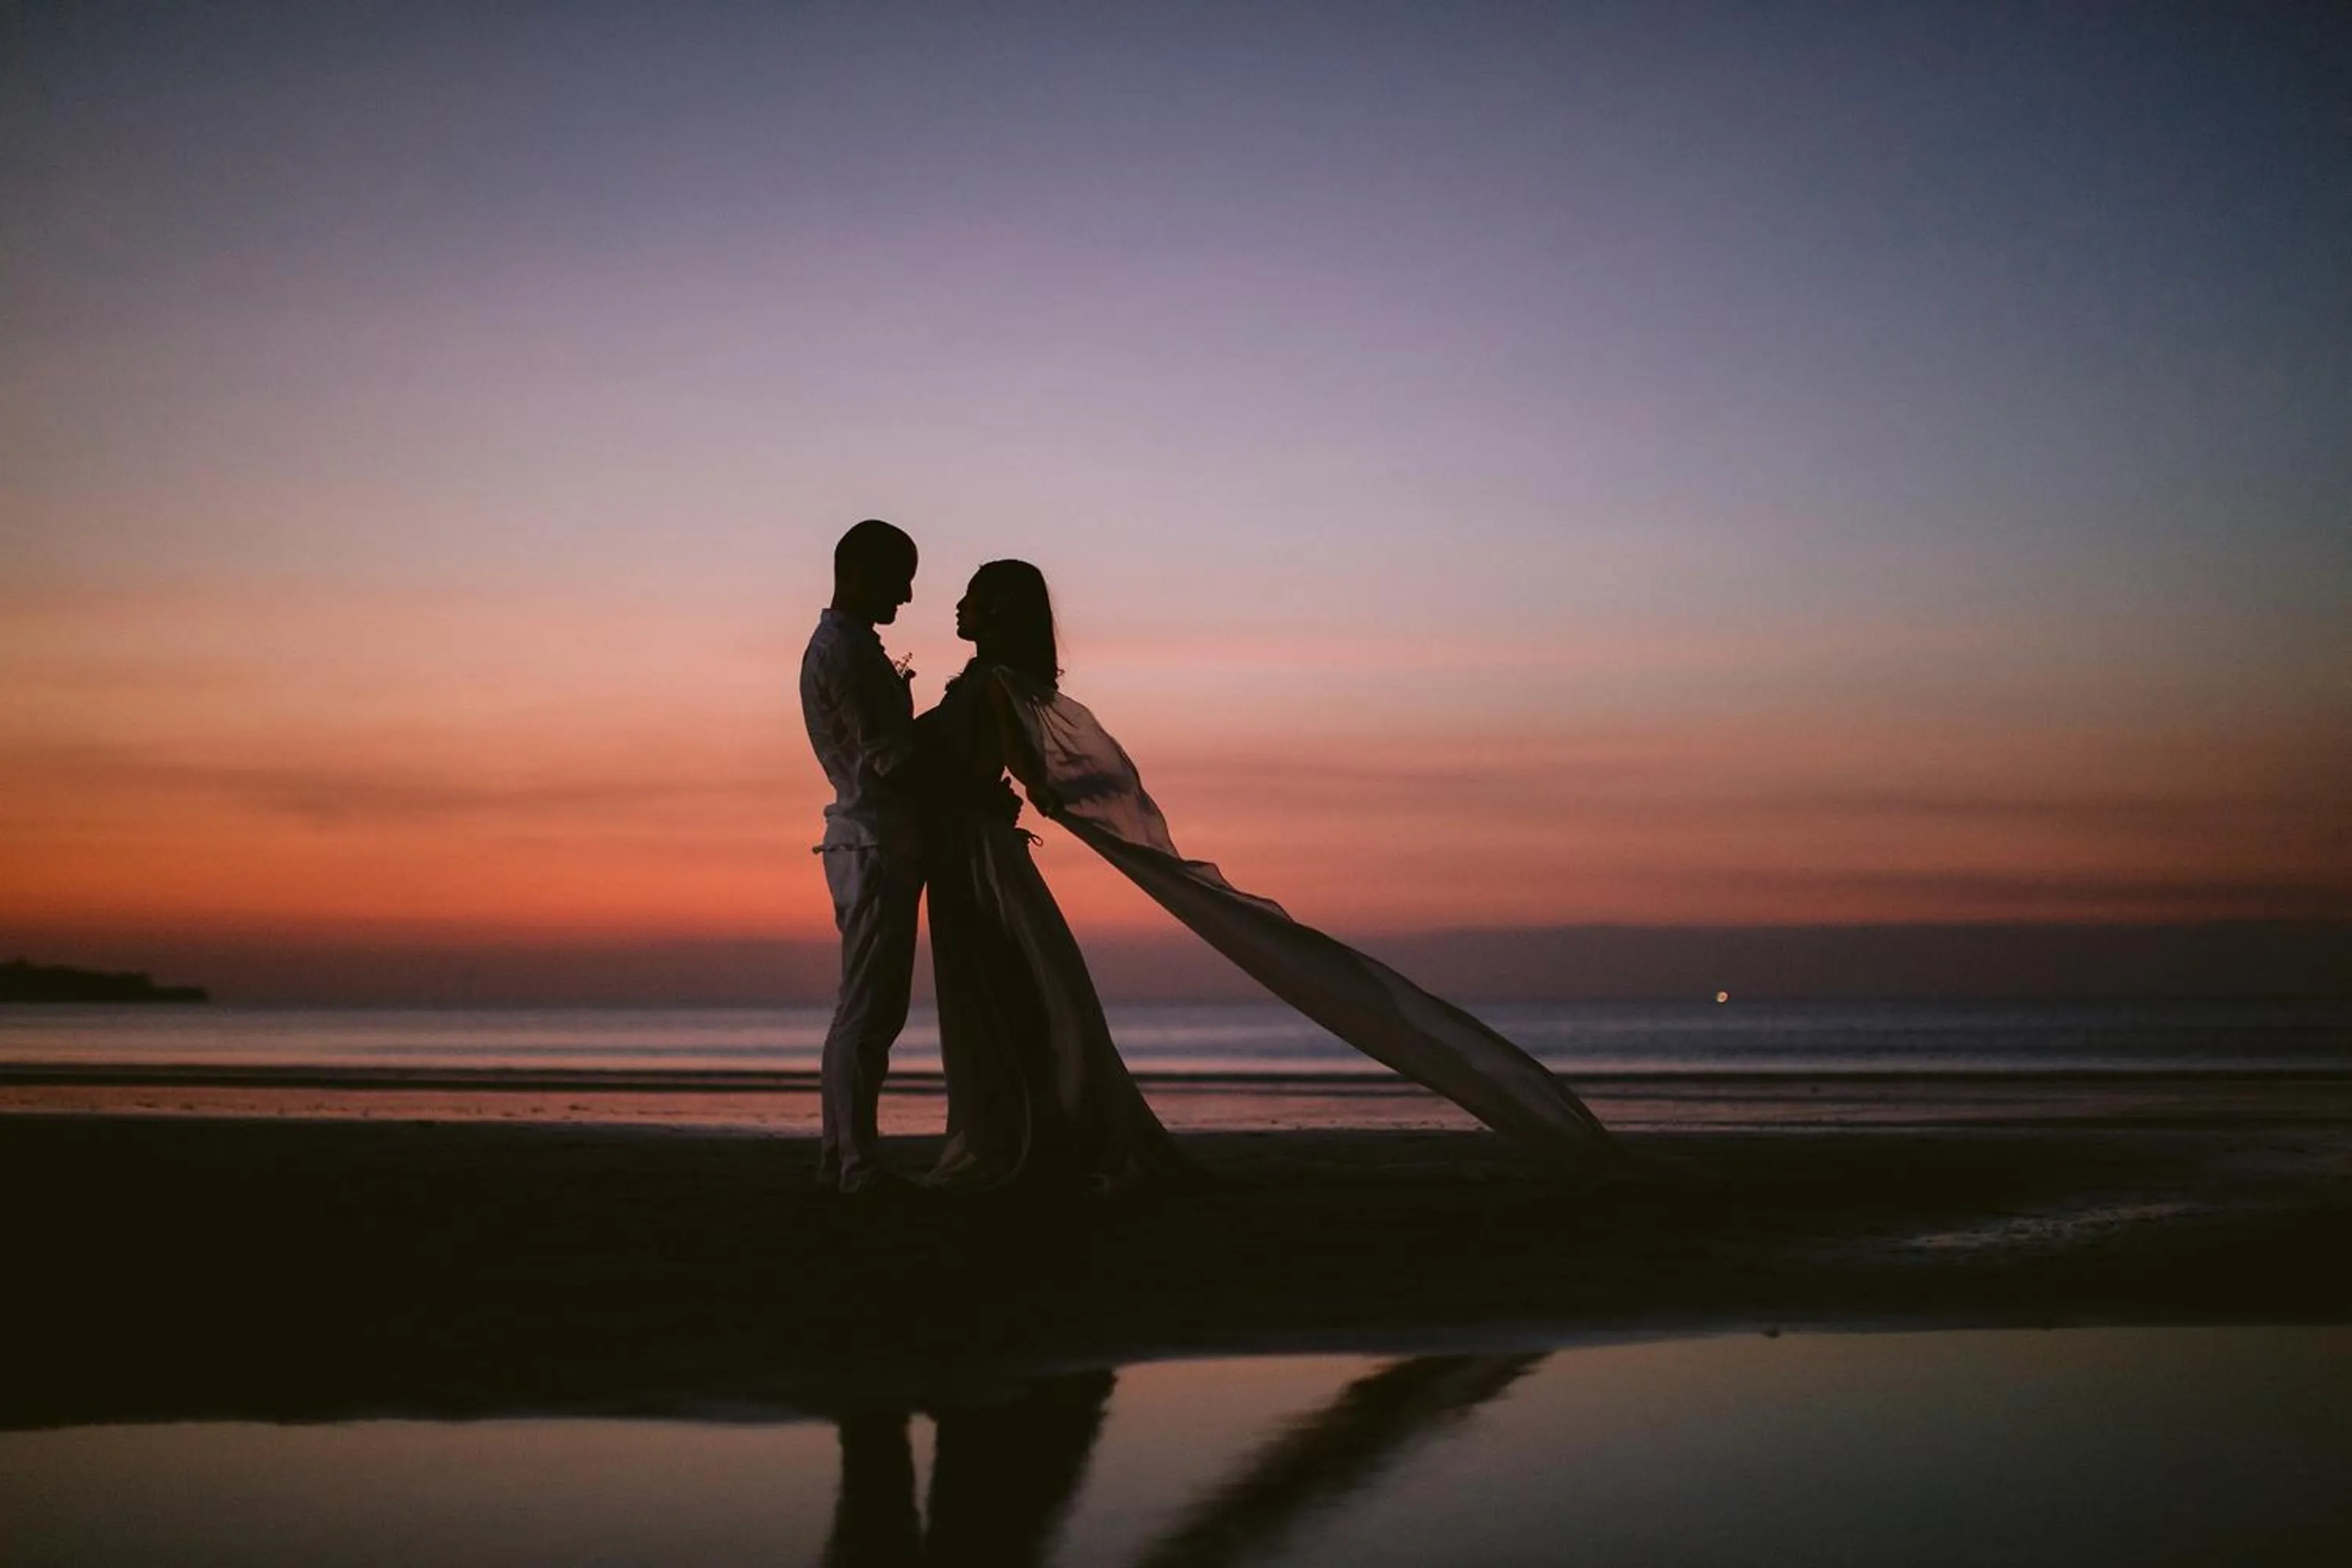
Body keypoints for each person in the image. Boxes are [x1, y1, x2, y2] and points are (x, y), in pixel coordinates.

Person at [916, 560, 1621, 1192]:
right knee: (1010, 998)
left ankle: (1023, 1141)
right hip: (972, 852)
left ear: (999, 610)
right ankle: (1022, 1133)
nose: (958, 605)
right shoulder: (990, 681)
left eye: (972, 595)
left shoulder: (994, 685)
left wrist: (972, 791)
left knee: (1003, 996)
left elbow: (1035, 783)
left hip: (978, 858)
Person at [800, 519, 924, 1194]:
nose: (906, 596)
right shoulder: (843, 652)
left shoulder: (845, 647)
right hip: (875, 841)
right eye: (900, 578)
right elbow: (891, 761)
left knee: (862, 1008)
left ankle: (841, 1154)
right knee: (870, 1013)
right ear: (862, 572)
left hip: (869, 839)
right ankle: (856, 1164)